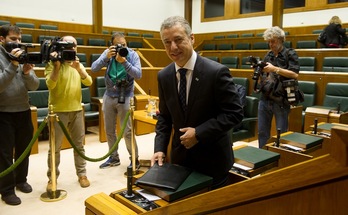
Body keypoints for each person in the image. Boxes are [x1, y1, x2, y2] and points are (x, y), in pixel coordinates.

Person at [150, 16, 243, 190]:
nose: (173, 48)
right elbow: (164, 117)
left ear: (192, 38)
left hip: (213, 161)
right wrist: (159, 148)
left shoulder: (216, 72)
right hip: (180, 161)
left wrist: (199, 133)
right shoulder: (163, 76)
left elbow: (234, 114)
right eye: (167, 42)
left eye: (178, 40)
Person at [44, 35, 92, 190]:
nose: (72, 48)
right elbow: (50, 84)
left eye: (75, 46)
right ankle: (52, 177)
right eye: (68, 46)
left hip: (77, 110)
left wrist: (79, 69)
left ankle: (82, 174)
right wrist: (57, 67)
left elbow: (89, 82)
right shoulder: (52, 64)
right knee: (55, 148)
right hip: (58, 112)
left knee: (79, 146)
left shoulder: (77, 64)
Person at [0, 24, 39, 205]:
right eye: (13, 39)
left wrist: (26, 73)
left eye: (19, 39)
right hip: (4, 113)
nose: (17, 42)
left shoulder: (22, 54)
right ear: (2, 39)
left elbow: (34, 85)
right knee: (5, 154)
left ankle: (21, 180)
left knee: (24, 149)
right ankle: (6, 190)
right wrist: (12, 65)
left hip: (23, 110)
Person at [91, 32, 142, 169]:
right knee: (109, 129)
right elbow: (94, 68)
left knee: (127, 131)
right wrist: (106, 58)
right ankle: (113, 158)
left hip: (126, 95)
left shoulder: (132, 55)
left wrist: (124, 62)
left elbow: (138, 74)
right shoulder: (108, 53)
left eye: (123, 45)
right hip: (109, 95)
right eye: (117, 45)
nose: (121, 47)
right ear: (112, 45)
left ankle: (135, 159)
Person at [257, 26, 300, 149]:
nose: (271, 44)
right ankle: (262, 156)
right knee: (262, 132)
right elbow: (265, 76)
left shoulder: (290, 53)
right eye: (269, 42)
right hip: (266, 97)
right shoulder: (268, 55)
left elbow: (294, 74)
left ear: (281, 40)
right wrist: (259, 70)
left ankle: (280, 158)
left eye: (273, 41)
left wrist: (275, 69)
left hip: (281, 99)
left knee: (282, 133)